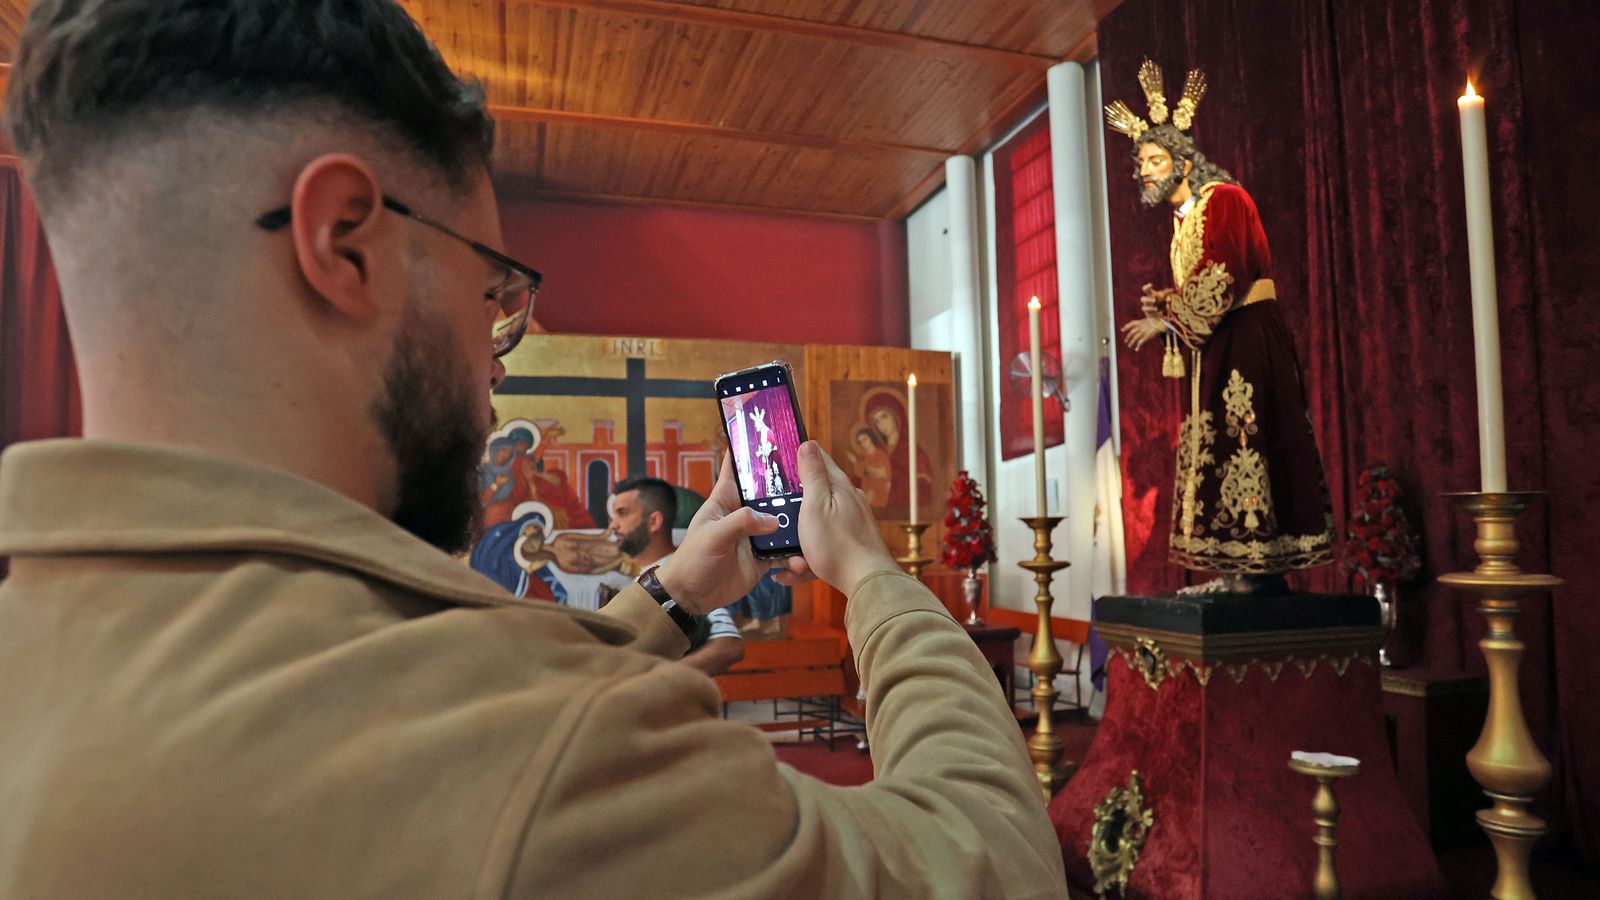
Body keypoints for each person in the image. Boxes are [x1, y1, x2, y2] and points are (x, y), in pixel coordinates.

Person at [0, 2, 1066, 897]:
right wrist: (873, 576)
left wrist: (676, 594)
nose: (494, 360)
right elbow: (986, 860)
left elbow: (436, 679)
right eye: (490, 291)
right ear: (345, 245)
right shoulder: (554, 766)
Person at [1109, 59, 1335, 593]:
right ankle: (1234, 568)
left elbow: (1224, 272)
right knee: (1223, 443)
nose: (1145, 171)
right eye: (1141, 162)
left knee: (1246, 441)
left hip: (1248, 339)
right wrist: (1166, 300)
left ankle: (1254, 571)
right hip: (1221, 342)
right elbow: (1206, 275)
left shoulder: (1225, 199)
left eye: (1155, 160)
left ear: (1184, 162)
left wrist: (1165, 316)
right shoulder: (1183, 222)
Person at [602, 476, 744, 676]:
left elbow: (727, 646)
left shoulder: (682, 574)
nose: (614, 525)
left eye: (622, 514)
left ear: (654, 522)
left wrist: (648, 684)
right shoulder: (652, 574)